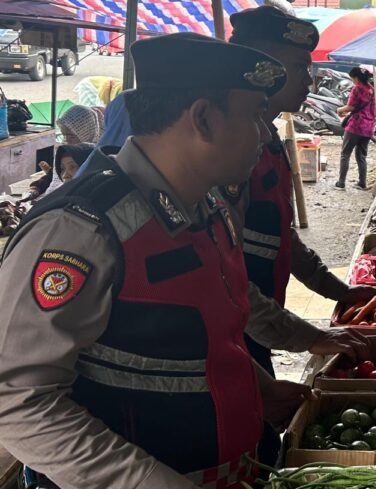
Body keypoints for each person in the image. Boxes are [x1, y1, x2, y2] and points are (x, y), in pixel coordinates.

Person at [0, 33, 311, 489]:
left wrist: (260, 391)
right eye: (255, 117)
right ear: (203, 119)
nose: (265, 135)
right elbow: (19, 402)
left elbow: (205, 332)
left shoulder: (206, 207)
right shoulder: (81, 229)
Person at [227, 6, 376, 466]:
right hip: (237, 327)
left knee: (265, 438)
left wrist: (337, 291)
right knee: (255, 445)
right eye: (298, 68)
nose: (309, 81)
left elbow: (281, 238)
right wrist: (306, 336)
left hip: (253, 327)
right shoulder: (231, 150)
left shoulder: (266, 139)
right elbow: (221, 277)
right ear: (261, 67)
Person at [334, 66, 376, 190]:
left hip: (356, 126)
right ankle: (362, 183)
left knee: (345, 154)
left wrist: (340, 110)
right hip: (368, 127)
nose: (352, 80)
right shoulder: (372, 90)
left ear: (356, 78)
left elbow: (351, 107)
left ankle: (341, 183)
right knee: (361, 156)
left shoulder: (357, 88)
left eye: (352, 78)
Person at [24, 144, 95, 201]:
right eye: (62, 168)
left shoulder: (89, 202)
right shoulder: (64, 196)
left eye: (73, 167)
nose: (65, 175)